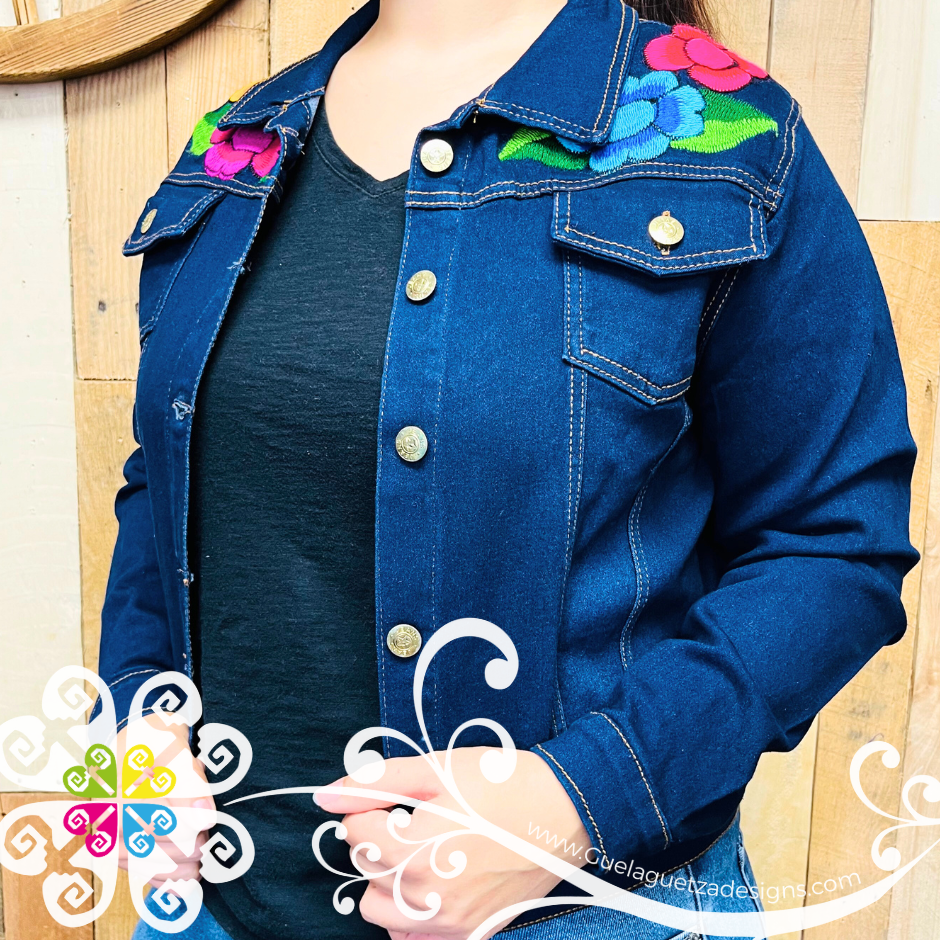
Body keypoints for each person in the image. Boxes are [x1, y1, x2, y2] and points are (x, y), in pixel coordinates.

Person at [95, 0, 918, 938]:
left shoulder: (730, 136)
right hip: (211, 912)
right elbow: (165, 483)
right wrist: (133, 721)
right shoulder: (233, 142)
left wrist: (578, 799)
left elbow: (833, 542)